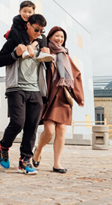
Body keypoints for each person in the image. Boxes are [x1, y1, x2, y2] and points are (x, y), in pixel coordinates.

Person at [0, 14, 51, 175]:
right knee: (18, 123)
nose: (39, 33)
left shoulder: (41, 42)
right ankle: (4, 146)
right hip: (16, 88)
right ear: (27, 25)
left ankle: (25, 161)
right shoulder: (14, 40)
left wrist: (47, 56)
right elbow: (0, 60)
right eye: (36, 29)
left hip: (35, 90)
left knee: (32, 127)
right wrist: (15, 54)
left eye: (42, 30)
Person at [32, 26, 84, 174]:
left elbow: (76, 75)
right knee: (49, 131)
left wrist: (79, 96)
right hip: (49, 95)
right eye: (57, 36)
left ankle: (57, 163)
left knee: (61, 130)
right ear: (50, 37)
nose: (59, 39)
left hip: (63, 96)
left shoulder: (66, 55)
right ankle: (38, 150)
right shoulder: (44, 50)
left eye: (62, 37)